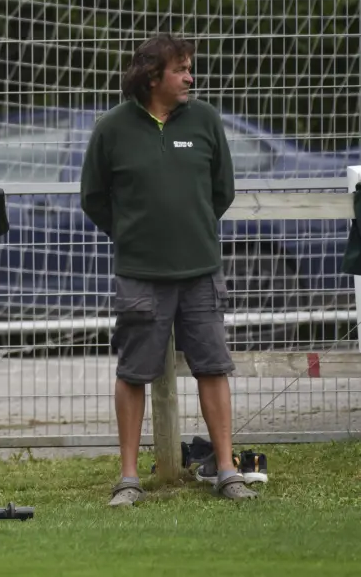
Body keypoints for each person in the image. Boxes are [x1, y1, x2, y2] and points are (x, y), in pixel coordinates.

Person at [79, 33, 259, 505]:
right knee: (133, 371)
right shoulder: (112, 128)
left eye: (188, 68)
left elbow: (223, 191)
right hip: (139, 273)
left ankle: (226, 470)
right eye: (181, 69)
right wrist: (134, 235)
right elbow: (93, 198)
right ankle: (129, 478)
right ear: (152, 76)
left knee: (213, 367)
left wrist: (190, 230)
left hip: (201, 271)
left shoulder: (205, 121)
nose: (190, 77)